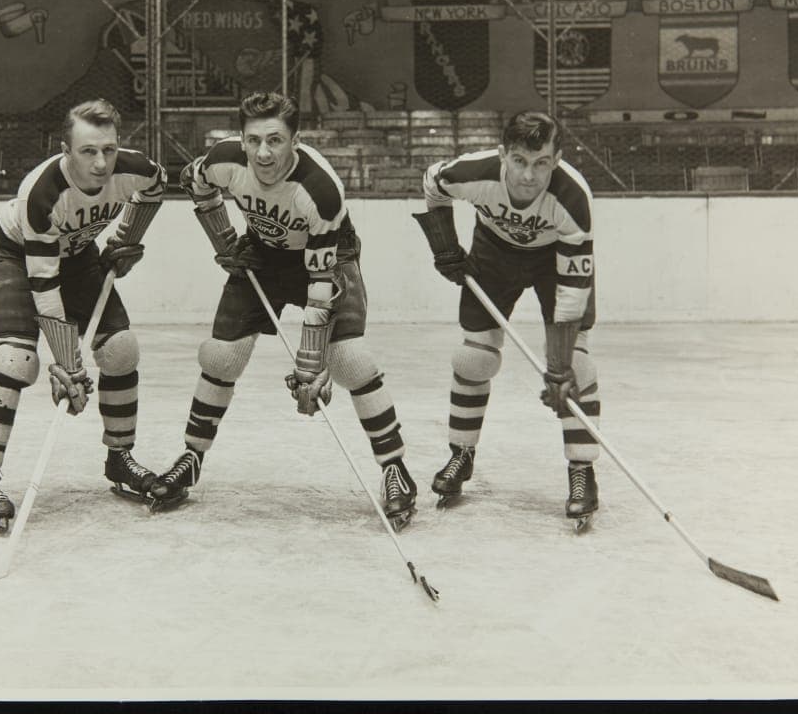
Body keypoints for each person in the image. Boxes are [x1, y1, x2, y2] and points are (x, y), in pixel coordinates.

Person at [148, 91, 419, 531]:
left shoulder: (320, 191)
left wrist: (311, 363)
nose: (263, 153)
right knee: (220, 356)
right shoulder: (223, 161)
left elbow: (318, 287)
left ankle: (395, 469)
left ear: (296, 139)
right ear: (241, 138)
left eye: (275, 140)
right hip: (263, 254)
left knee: (349, 362)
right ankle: (192, 457)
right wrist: (224, 239)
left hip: (328, 257)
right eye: (253, 140)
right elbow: (194, 183)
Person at [0, 98, 167, 530]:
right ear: (64, 149)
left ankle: (120, 458)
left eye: (109, 150)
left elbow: (156, 187)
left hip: (77, 258)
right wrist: (68, 366)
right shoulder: (43, 194)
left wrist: (127, 240)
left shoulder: (135, 169)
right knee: (15, 359)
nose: (100, 163)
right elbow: (44, 286)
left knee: (120, 350)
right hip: (18, 258)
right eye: (87, 151)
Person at [413, 110, 602, 526]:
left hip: (555, 261)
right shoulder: (474, 172)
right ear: (502, 155)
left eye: (541, 164)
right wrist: (445, 244)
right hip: (494, 253)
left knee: (578, 368)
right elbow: (433, 182)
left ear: (557, 159)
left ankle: (582, 471)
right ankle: (460, 455)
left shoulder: (572, 199)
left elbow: (571, 294)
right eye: (519, 161)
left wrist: (559, 365)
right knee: (473, 359)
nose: (529, 176)